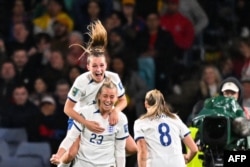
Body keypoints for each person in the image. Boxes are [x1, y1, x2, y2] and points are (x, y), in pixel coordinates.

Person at [50, 20, 137, 166]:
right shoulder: (81, 81)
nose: (98, 69)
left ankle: (103, 154)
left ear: (106, 65)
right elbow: (68, 109)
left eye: (101, 65)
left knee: (132, 148)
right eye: (94, 66)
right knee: (71, 153)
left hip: (105, 117)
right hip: (81, 118)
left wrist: (116, 110)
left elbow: (123, 100)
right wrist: (86, 123)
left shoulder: (113, 78)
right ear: (88, 66)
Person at [55, 79, 128, 167]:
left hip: (107, 165)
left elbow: (120, 150)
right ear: (99, 96)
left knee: (133, 148)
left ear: (116, 98)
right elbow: (71, 137)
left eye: (112, 97)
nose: (108, 100)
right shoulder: (85, 112)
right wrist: (58, 155)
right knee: (71, 153)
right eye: (105, 96)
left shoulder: (121, 119)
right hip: (83, 164)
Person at [134, 89, 198, 167]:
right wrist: (187, 158)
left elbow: (142, 150)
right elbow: (194, 149)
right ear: (163, 103)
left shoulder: (141, 123)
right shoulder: (175, 118)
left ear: (146, 104)